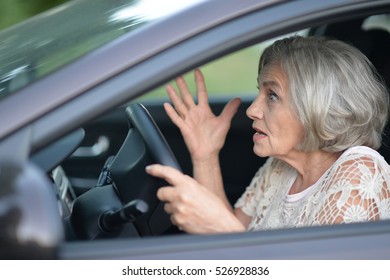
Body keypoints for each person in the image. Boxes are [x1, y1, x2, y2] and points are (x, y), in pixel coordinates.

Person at [145, 36, 390, 234]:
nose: (252, 110)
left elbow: (229, 237)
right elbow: (232, 232)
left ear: (318, 107)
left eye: (272, 95)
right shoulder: (280, 167)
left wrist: (225, 230)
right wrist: (206, 155)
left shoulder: (360, 170)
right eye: (260, 92)